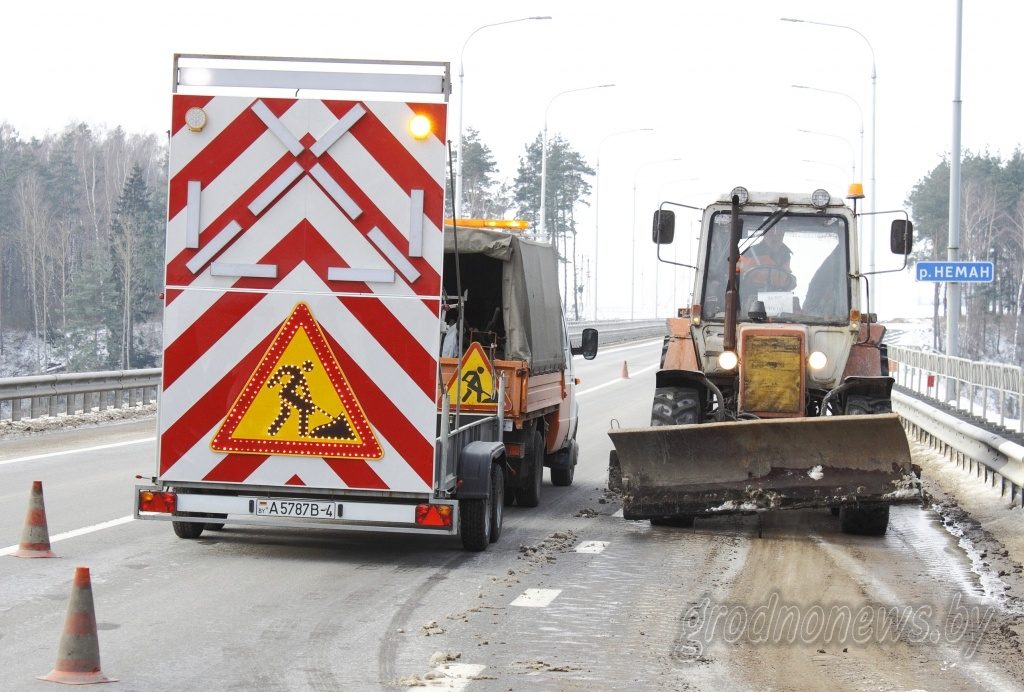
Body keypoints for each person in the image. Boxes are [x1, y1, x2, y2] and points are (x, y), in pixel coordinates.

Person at [739, 226, 797, 292]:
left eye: (779, 235)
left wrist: (791, 281)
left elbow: (786, 279)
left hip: (778, 297)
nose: (775, 238)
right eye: (771, 235)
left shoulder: (786, 255)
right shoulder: (749, 253)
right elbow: (735, 277)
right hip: (752, 296)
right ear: (765, 235)